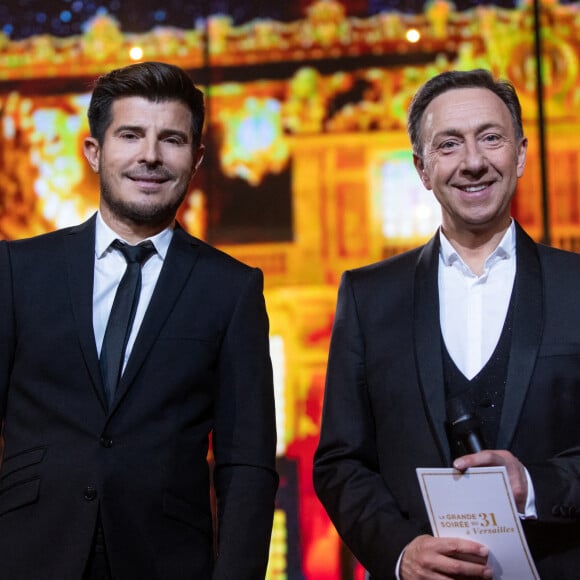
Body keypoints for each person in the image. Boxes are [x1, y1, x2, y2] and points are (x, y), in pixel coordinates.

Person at [0, 61, 278, 579]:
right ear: (94, 151)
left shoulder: (232, 288)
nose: (150, 156)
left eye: (171, 140)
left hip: (166, 559)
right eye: (130, 135)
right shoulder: (16, 270)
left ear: (195, 159)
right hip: (27, 553)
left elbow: (248, 463)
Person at [313, 68, 580, 579]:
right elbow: (340, 462)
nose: (473, 162)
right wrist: (399, 552)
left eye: (491, 138)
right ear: (421, 168)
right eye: (449, 145)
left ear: (520, 154)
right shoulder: (369, 296)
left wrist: (535, 484)